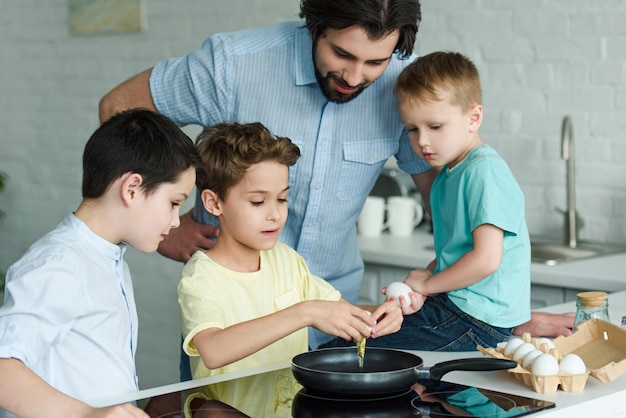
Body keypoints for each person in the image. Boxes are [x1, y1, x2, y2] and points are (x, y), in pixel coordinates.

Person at [98, 0, 572, 356]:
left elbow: (454, 228)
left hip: (334, 307)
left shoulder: (403, 88)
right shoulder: (234, 63)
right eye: (342, 54)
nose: (356, 76)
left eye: (375, 62)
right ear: (315, 25)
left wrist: (495, 319)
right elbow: (120, 108)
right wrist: (169, 224)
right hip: (234, 316)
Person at [178, 122, 402, 416]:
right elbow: (214, 351)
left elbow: (339, 312)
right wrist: (305, 312)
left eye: (282, 198)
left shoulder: (286, 259)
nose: (275, 214)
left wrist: (380, 314)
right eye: (258, 201)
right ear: (213, 202)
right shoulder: (202, 277)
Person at [0, 109, 202, 418]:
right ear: (132, 188)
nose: (176, 221)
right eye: (174, 203)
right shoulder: (60, 263)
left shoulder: (108, 257)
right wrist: (88, 415)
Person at [366, 51, 531, 350]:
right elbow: (455, 252)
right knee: (361, 338)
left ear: (474, 117)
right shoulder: (446, 175)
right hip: (460, 307)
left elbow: (486, 259)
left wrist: (428, 285)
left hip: (479, 320)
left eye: (435, 127)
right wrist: (426, 280)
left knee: (359, 347)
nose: (423, 141)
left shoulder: (484, 171)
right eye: (412, 129)